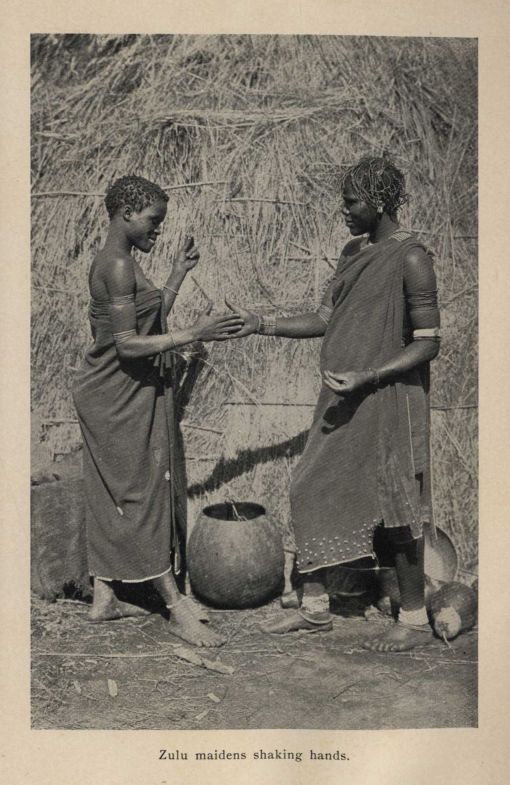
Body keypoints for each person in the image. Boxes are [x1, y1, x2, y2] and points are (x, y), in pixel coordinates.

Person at [227, 157, 441, 652]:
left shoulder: (411, 257)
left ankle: (412, 620)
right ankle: (316, 610)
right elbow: (325, 317)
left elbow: (429, 342)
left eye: (351, 201)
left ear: (380, 201)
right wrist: (262, 323)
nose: (343, 210)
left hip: (390, 398)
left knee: (397, 503)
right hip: (344, 395)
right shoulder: (353, 252)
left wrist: (369, 374)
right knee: (311, 484)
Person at [72, 175, 244, 646]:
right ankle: (173, 605)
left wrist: (176, 275)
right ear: (126, 213)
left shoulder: (123, 262)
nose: (159, 230)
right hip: (114, 394)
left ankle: (105, 599)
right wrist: (196, 333)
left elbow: (144, 317)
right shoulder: (117, 265)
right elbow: (128, 346)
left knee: (118, 492)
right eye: (154, 221)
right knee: (138, 494)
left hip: (122, 391)